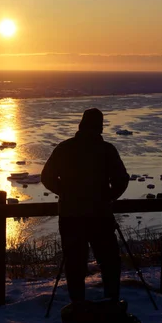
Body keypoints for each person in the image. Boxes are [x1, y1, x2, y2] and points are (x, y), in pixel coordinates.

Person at [41, 108, 130, 303]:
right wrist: (108, 197)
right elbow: (121, 180)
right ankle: (112, 301)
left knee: (74, 262)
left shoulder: (64, 148)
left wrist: (65, 192)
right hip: (101, 216)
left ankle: (77, 304)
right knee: (109, 262)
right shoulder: (107, 150)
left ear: (80, 125)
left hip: (71, 216)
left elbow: (46, 177)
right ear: (100, 127)